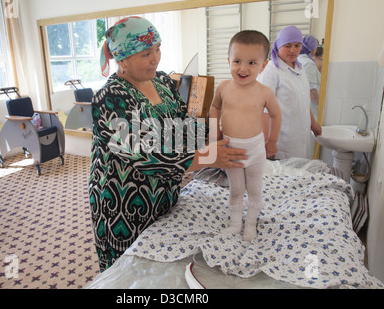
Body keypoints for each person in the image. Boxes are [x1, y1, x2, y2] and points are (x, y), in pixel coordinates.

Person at [89, 16, 248, 271]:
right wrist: (209, 157)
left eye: (158, 49)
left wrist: (216, 136)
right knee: (130, 270)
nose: (156, 58)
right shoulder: (110, 98)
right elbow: (145, 156)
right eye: (145, 54)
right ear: (123, 60)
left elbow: (182, 124)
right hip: (124, 202)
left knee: (161, 266)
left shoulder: (162, 82)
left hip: (164, 194)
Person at [210, 30, 282, 241]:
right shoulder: (223, 87)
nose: (243, 68)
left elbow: (276, 115)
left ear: (264, 65)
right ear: (229, 60)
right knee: (236, 188)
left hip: (255, 149)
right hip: (231, 148)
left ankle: (251, 224)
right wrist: (215, 134)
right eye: (237, 61)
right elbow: (214, 107)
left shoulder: (264, 92)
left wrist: (272, 141)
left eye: (252, 63)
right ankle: (235, 223)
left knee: (254, 188)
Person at [258, 26, 322, 160]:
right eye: (287, 45)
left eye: (297, 45)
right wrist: (268, 143)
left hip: (300, 138)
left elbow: (304, 101)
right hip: (281, 141)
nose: (293, 50)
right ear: (279, 45)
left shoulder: (300, 68)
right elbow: (263, 110)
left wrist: (313, 124)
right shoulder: (271, 70)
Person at [298, 35, 321, 118]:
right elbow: (312, 90)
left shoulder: (298, 59)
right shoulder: (308, 63)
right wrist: (321, 105)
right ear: (313, 48)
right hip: (310, 106)